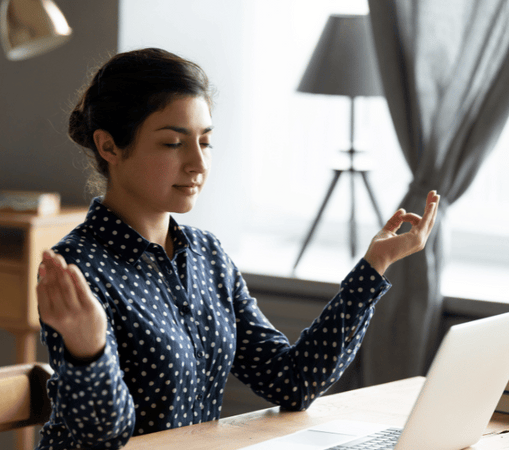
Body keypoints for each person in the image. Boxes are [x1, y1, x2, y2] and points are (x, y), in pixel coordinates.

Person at [35, 48, 440, 450]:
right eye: (174, 143)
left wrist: (374, 267)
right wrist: (89, 351)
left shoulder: (206, 255)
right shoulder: (78, 268)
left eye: (205, 142)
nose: (198, 163)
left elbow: (292, 381)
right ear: (109, 147)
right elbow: (104, 440)